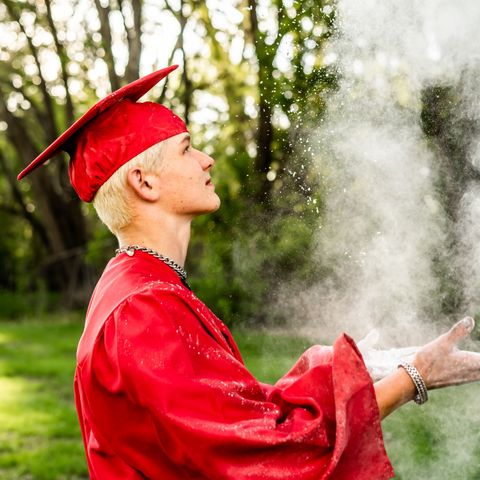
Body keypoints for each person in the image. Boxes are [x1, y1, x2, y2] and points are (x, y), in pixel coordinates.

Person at [18, 65, 480, 480]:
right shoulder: (142, 310)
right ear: (144, 182)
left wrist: (350, 369)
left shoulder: (142, 284)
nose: (206, 159)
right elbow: (263, 457)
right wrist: (414, 376)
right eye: (185, 149)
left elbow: (234, 417)